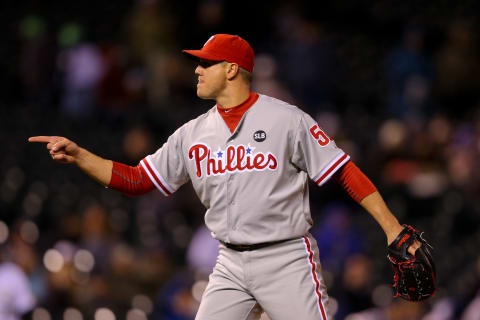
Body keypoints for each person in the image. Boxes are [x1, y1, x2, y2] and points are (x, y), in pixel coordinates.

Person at [29, 34, 420, 320]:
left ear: (232, 69)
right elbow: (137, 180)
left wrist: (392, 228)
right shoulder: (191, 133)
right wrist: (81, 156)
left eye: (206, 62)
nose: (197, 69)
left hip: (285, 258)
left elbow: (345, 172)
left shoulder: (287, 120)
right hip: (230, 262)